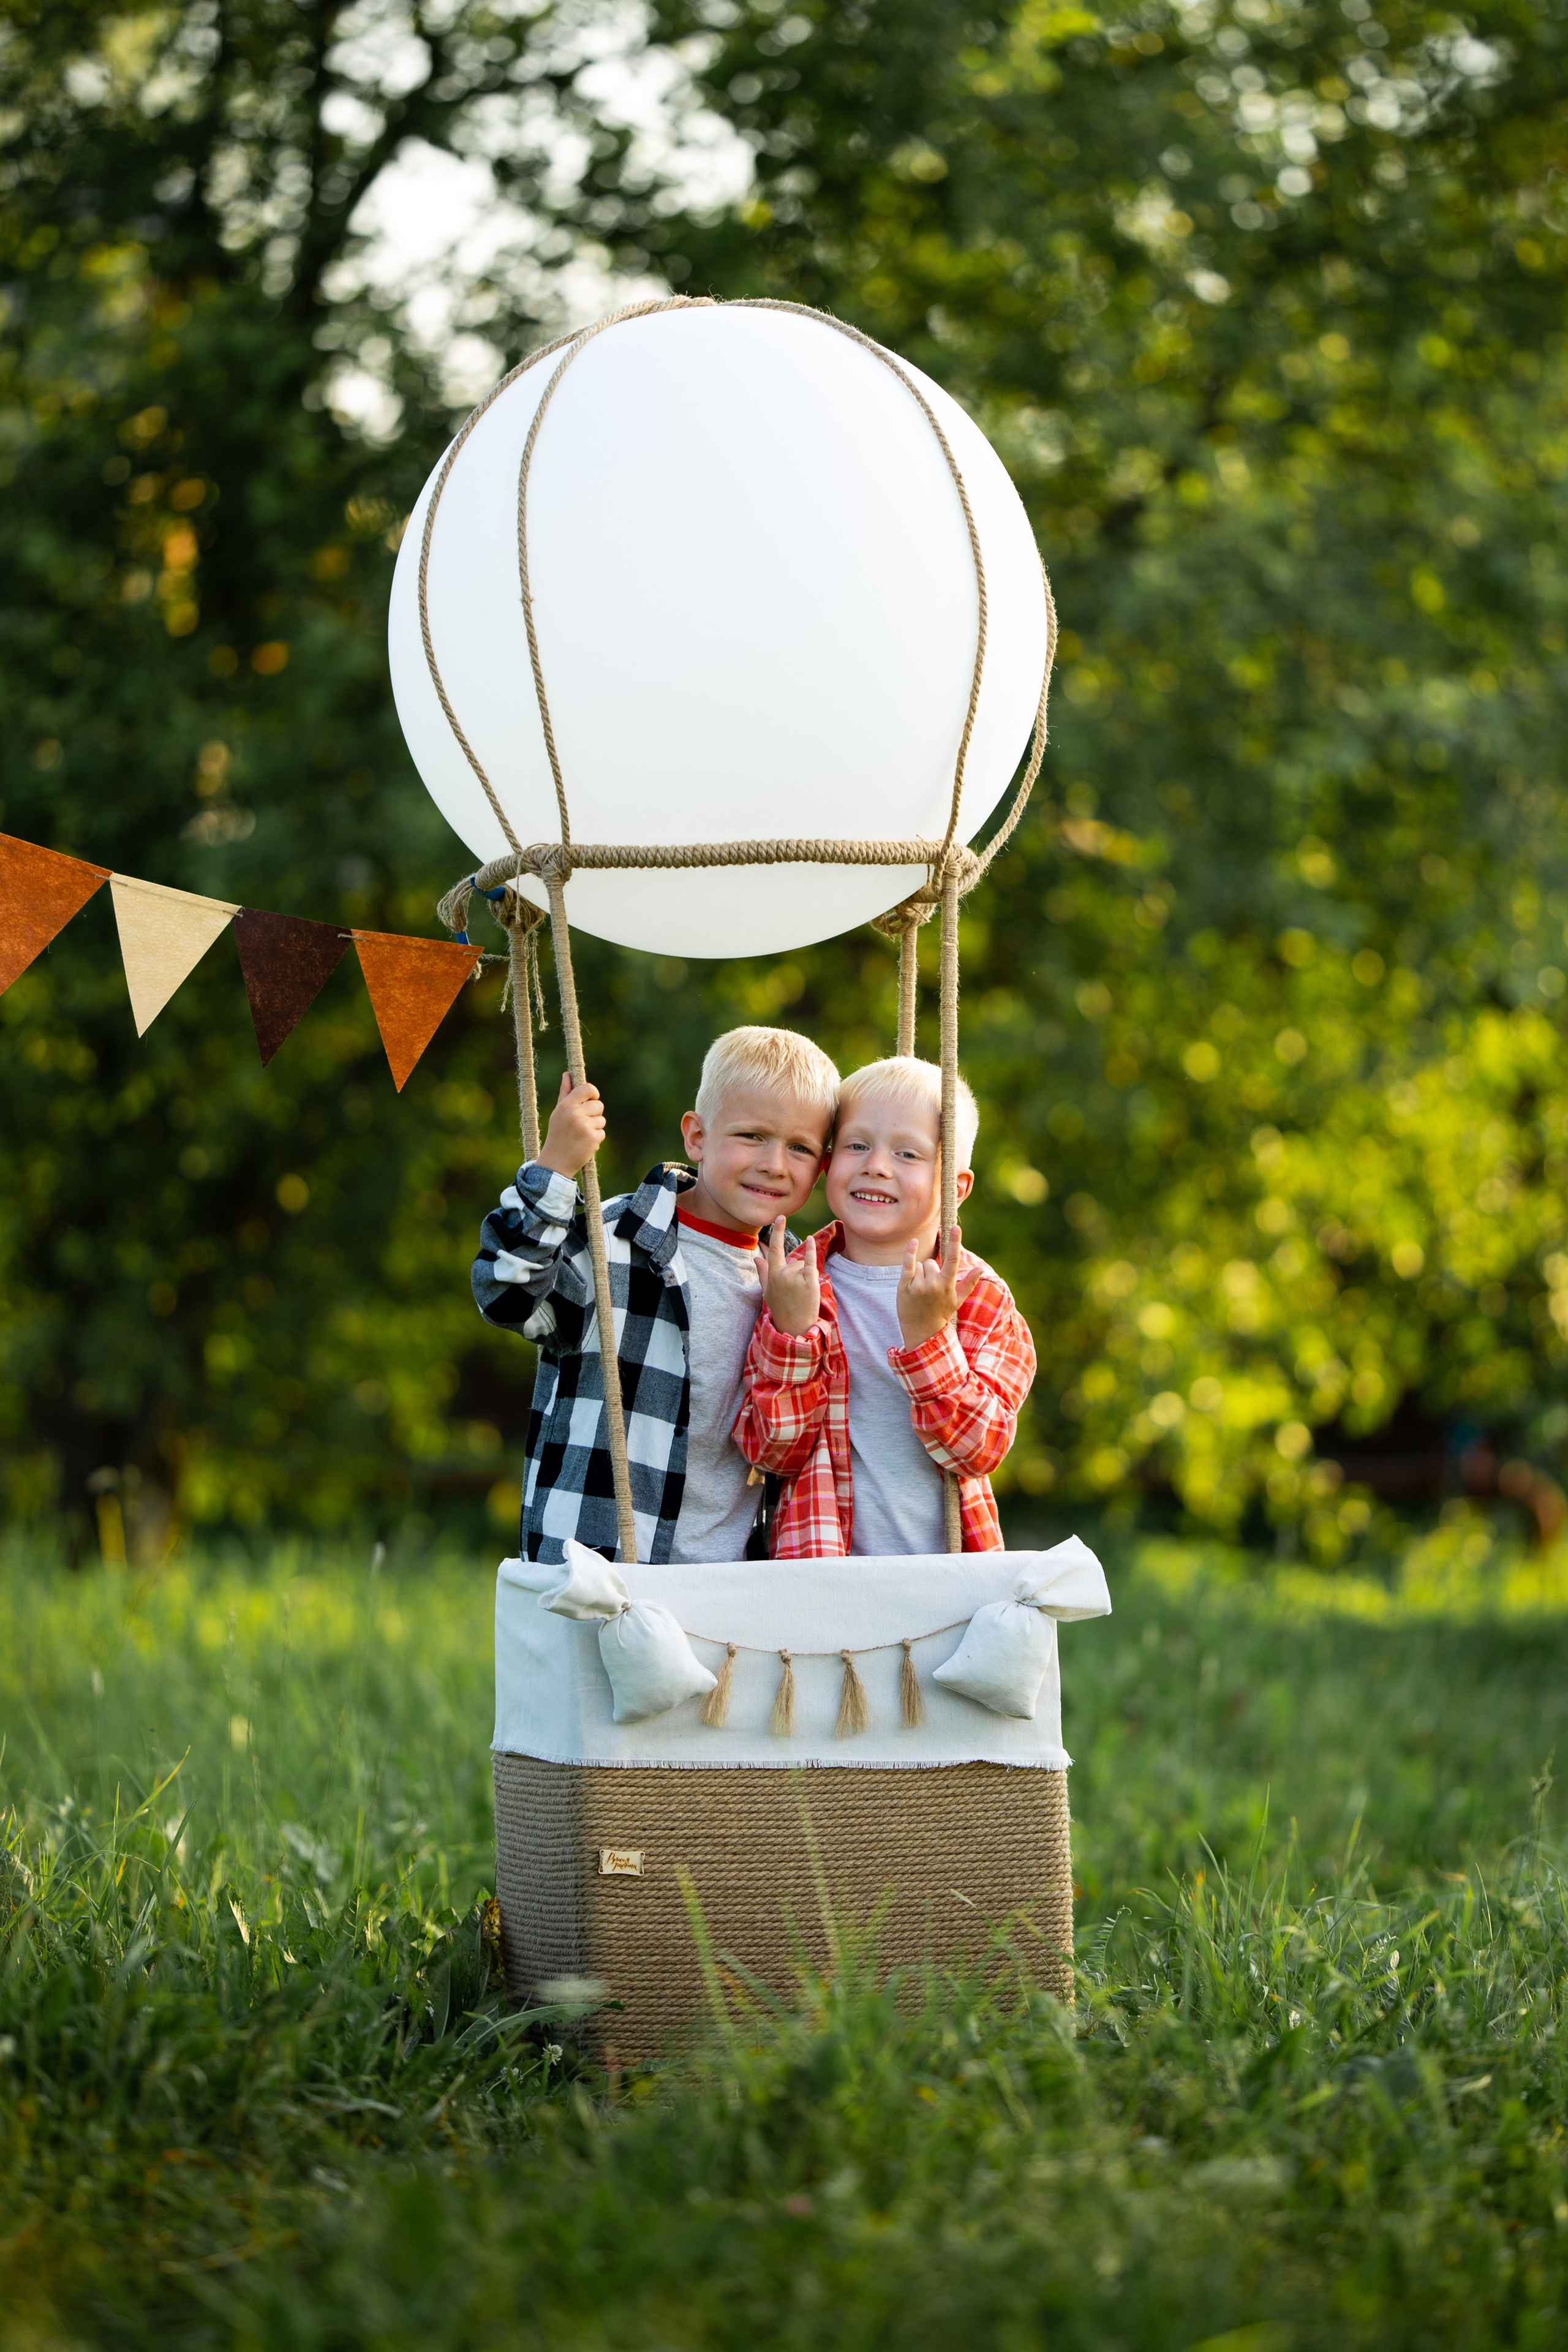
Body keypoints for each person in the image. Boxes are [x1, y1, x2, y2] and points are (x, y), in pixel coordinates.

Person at [473, 1026, 839, 1565]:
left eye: (800, 1148)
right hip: (601, 1567)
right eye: (752, 1136)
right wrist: (554, 1170)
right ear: (696, 1137)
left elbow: (791, 1443)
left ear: (822, 1167)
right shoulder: (616, 1242)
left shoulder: (803, 1279)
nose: (774, 1164)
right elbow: (507, 1296)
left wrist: (794, 1332)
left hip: (728, 1582)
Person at [735, 1055, 1035, 1556]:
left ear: (956, 1188)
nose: (876, 1165)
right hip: (824, 1579)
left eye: (908, 1155)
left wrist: (928, 1340)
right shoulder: (797, 1284)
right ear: (829, 1162)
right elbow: (772, 1453)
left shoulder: (978, 1296)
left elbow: (979, 1449)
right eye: (857, 1145)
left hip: (947, 1583)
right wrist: (792, 1334)